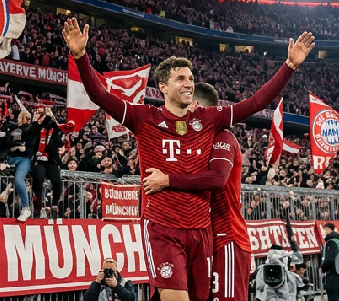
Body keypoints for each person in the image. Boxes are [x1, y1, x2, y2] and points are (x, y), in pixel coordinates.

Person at [62, 18, 313, 301]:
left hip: (201, 232)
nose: (188, 83)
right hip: (163, 228)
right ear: (163, 86)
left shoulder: (208, 118)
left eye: (191, 78)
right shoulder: (143, 117)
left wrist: (289, 66)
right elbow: (100, 95)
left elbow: (255, 103)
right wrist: (81, 56)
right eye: (181, 78)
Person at [141, 82, 253, 301]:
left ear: (195, 106)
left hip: (227, 237)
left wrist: (168, 180)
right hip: (202, 237)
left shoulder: (223, 137)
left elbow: (217, 179)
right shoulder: (192, 141)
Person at [320, 223, 339, 301]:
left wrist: (323, 267)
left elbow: (330, 258)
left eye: (326, 229)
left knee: (332, 294)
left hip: (334, 272)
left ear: (330, 229)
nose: (325, 232)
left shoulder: (331, 242)